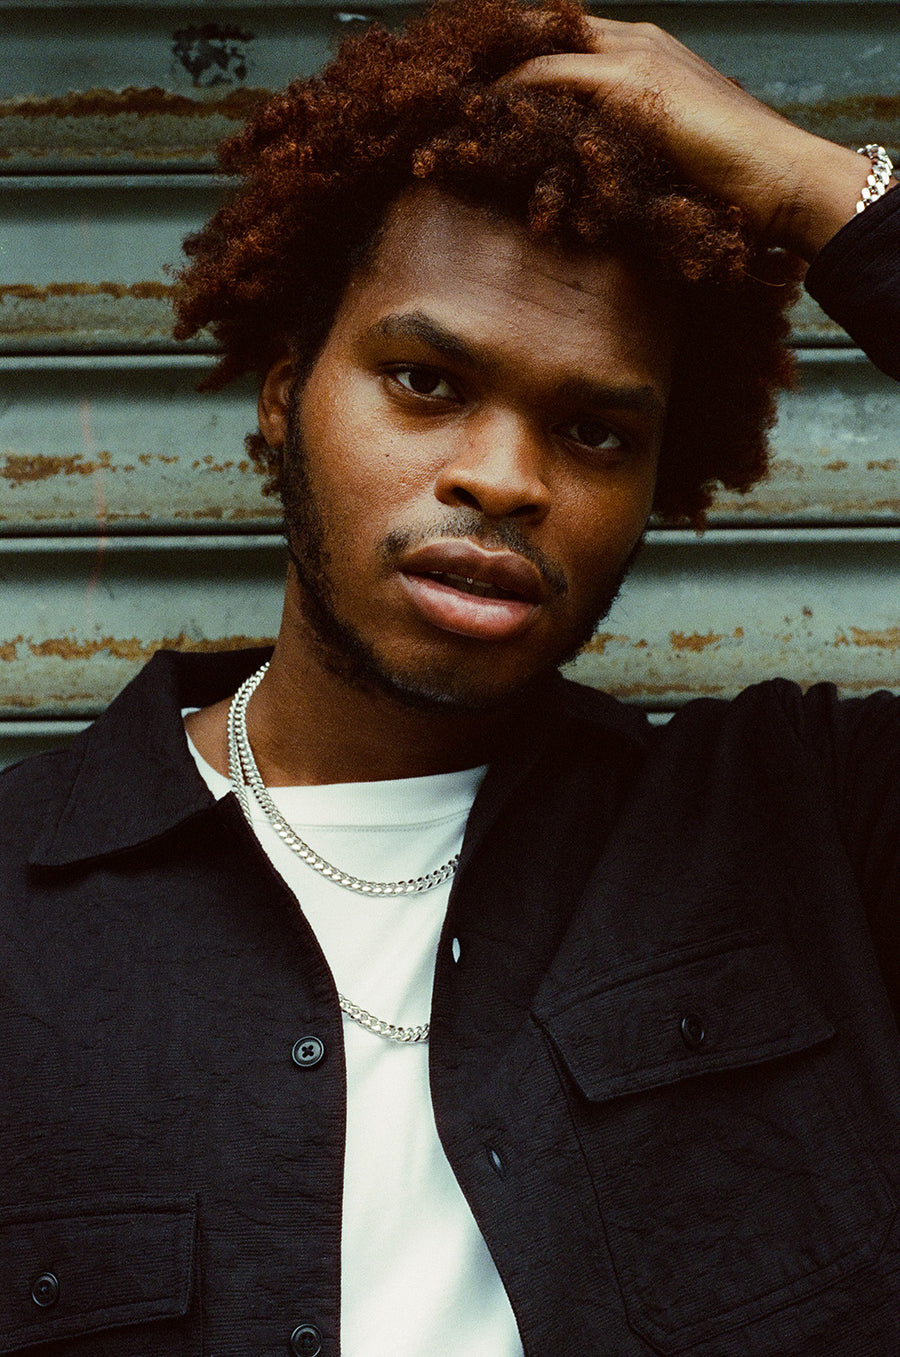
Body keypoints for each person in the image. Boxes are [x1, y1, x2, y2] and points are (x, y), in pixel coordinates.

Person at [2, 1, 898, 1353]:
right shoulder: (21, 910)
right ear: (285, 390)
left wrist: (833, 193)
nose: (506, 477)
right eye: (424, 381)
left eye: (595, 429)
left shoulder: (808, 831)